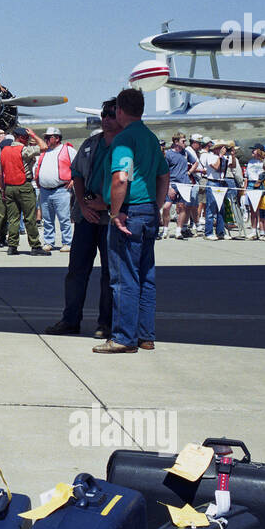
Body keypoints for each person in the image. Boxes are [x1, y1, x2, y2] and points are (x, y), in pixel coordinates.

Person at [96, 87, 168, 353]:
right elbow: (163, 175)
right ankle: (145, 335)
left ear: (120, 110)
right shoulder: (150, 138)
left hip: (130, 211)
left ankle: (124, 337)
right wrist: (156, 206)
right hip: (148, 210)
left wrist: (115, 212)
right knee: (146, 275)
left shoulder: (124, 139)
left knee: (124, 277)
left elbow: (121, 178)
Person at [46, 99, 118, 338]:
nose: (106, 119)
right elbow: (76, 175)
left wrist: (106, 205)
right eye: (103, 114)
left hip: (111, 219)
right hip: (87, 215)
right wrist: (83, 204)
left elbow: (127, 183)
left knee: (110, 273)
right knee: (76, 270)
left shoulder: (125, 146)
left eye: (111, 114)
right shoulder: (90, 144)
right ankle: (70, 320)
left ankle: (105, 324)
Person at [0, 129, 43, 255]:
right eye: (26, 137)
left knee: (13, 219)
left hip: (9, 187)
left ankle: (12, 246)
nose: (27, 139)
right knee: (29, 218)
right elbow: (44, 147)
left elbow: (0, 173)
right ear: (21, 137)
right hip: (24, 186)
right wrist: (34, 134)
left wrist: (2, 190)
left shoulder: (4, 151)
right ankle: (35, 246)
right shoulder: (24, 150)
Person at [35, 127, 76, 253]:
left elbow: (78, 166)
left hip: (61, 190)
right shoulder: (44, 152)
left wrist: (73, 180)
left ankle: (67, 242)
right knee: (47, 219)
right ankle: (49, 242)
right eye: (45, 138)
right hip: (45, 190)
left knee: (64, 218)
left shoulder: (68, 150)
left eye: (49, 137)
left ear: (57, 138)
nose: (46, 140)